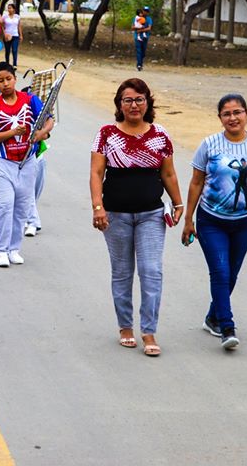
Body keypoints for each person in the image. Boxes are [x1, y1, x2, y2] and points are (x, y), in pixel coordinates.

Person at [89, 78, 184, 358]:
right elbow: (96, 173)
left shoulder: (160, 135)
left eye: (139, 99)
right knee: (122, 272)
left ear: (147, 102)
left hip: (151, 215)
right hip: (115, 215)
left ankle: (149, 331)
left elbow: (168, 173)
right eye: (128, 100)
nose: (134, 105)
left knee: (151, 271)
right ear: (119, 104)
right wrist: (98, 206)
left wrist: (178, 203)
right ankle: (125, 327)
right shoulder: (106, 134)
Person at [181, 93, 247, 351]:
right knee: (220, 272)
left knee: (231, 274)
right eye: (227, 114)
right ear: (220, 118)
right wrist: (188, 219)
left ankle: (213, 317)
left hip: (245, 222)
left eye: (237, 112)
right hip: (211, 220)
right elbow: (196, 182)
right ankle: (227, 327)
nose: (233, 118)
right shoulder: (209, 144)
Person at [0, 62, 53, 267]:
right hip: (3, 162)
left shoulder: (30, 100)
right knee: (5, 205)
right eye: (0, 81)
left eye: (8, 79)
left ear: (15, 78)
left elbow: (49, 120)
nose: (5, 83)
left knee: (22, 206)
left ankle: (14, 249)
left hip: (27, 161)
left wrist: (41, 133)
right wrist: (13, 132)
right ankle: (1, 250)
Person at [134, 6, 153, 71]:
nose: (145, 12)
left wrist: (141, 30)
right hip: (137, 37)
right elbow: (133, 27)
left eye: (147, 11)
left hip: (145, 37)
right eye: (144, 11)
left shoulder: (149, 19)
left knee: (143, 52)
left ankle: (140, 63)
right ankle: (139, 65)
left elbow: (149, 28)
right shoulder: (137, 18)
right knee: (139, 51)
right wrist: (138, 28)